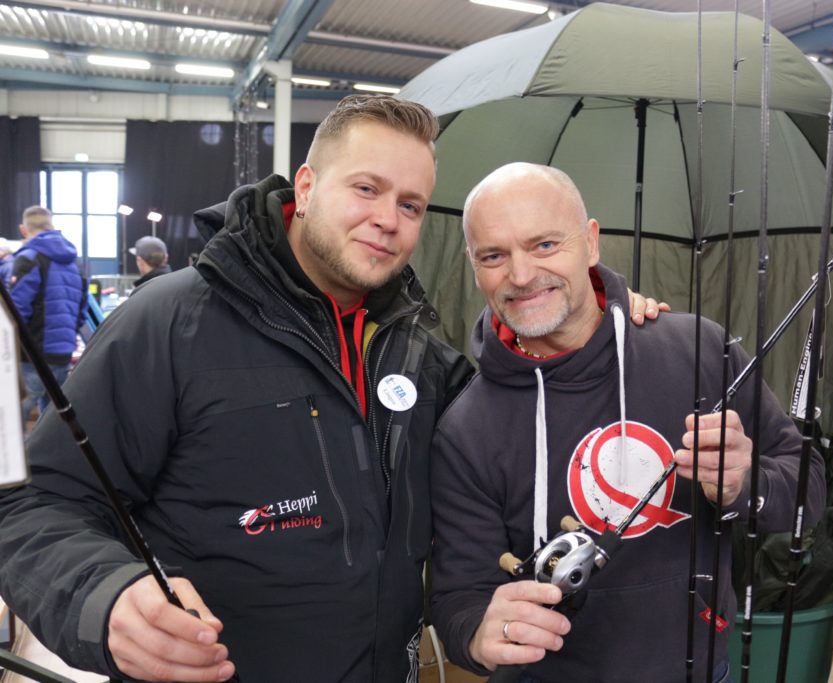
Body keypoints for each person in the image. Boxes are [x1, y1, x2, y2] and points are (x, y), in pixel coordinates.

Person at [0, 97, 662, 683]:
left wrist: (601, 318)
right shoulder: (169, 322)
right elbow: (34, 507)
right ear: (308, 186)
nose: (387, 219)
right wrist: (107, 596)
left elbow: (518, 416)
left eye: (409, 205)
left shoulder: (419, 353)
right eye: (367, 188)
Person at [428, 163, 826, 683]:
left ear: (590, 243)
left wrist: (742, 486)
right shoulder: (465, 428)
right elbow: (459, 597)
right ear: (473, 266)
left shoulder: (699, 349)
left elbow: (808, 491)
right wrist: (480, 635)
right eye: (494, 256)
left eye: (545, 244)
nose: (521, 275)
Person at [8, 206, 87, 425]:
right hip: (62, 350)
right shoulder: (74, 261)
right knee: (53, 417)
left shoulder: (29, 258)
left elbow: (17, 310)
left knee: (15, 413)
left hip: (32, 352)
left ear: (24, 229)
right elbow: (82, 309)